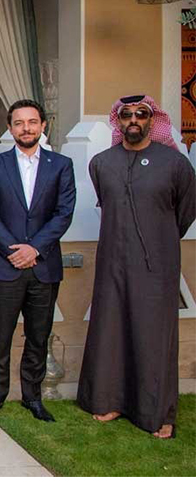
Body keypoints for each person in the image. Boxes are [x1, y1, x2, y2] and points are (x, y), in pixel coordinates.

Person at [78, 95, 195, 439]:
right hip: (113, 260)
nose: (133, 120)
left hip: (157, 266)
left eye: (141, 114)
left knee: (154, 337)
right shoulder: (101, 163)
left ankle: (157, 412)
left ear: (151, 119)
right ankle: (110, 400)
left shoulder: (174, 163)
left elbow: (186, 211)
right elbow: (108, 202)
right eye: (126, 114)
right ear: (118, 121)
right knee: (111, 330)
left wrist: (159, 240)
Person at [0, 99, 76, 423]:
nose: (26, 128)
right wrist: (13, 250)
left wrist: (34, 249)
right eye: (19, 123)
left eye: (32, 122)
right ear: (10, 128)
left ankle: (32, 397)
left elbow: (63, 214)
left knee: (38, 335)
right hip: (4, 268)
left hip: (44, 267)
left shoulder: (61, 165)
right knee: (0, 335)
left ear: (43, 125)